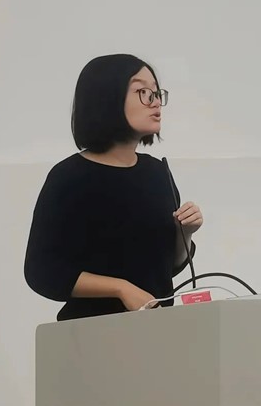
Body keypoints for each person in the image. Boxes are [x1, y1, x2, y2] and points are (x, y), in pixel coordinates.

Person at [23, 54, 203, 321]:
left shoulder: (157, 172)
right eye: (143, 92)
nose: (155, 102)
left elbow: (168, 267)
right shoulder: (69, 177)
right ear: (107, 98)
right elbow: (42, 272)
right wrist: (120, 289)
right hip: (91, 333)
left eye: (156, 93)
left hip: (158, 329)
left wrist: (185, 233)